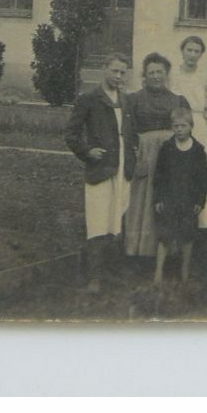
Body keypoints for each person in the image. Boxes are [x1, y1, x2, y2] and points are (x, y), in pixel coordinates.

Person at [63, 53, 132, 293]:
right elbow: (71, 134)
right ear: (105, 69)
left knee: (117, 218)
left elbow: (130, 132)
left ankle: (112, 273)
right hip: (101, 168)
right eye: (114, 71)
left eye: (123, 72)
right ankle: (94, 277)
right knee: (97, 219)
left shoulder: (126, 100)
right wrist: (87, 151)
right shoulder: (89, 99)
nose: (118, 76)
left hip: (122, 167)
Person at [121, 52, 191, 258]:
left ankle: (169, 252)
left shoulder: (178, 100)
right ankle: (140, 250)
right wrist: (135, 158)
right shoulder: (133, 100)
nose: (155, 76)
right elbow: (128, 131)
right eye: (151, 72)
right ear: (144, 75)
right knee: (142, 201)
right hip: (145, 155)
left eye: (159, 72)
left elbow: (187, 131)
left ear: (167, 74)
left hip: (171, 157)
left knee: (168, 200)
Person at [166, 34, 207, 230]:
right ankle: (175, 220)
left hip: (198, 126)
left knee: (199, 170)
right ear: (182, 51)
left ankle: (203, 222)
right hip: (176, 125)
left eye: (197, 51)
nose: (192, 54)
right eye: (189, 50)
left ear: (201, 54)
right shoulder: (172, 75)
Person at [152, 106, 207, 287]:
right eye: (175, 126)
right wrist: (158, 198)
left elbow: (203, 180)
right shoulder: (167, 148)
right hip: (169, 199)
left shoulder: (198, 150)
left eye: (183, 126)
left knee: (187, 236)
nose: (179, 130)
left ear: (191, 126)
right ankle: (158, 271)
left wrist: (200, 201)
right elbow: (159, 176)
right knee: (165, 235)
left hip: (188, 201)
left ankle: (185, 270)